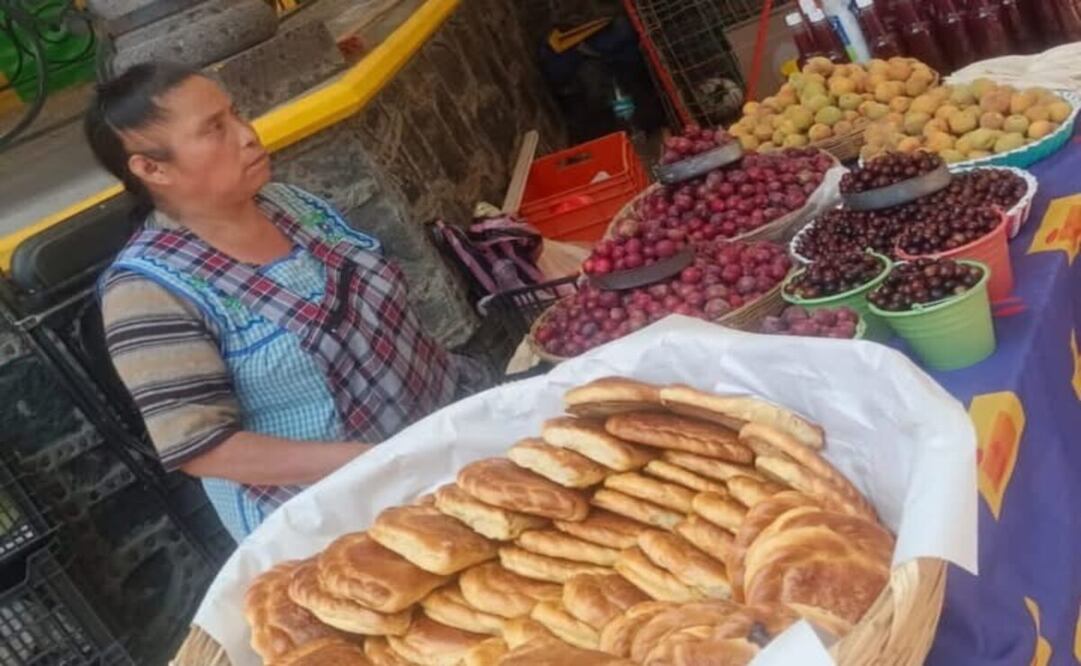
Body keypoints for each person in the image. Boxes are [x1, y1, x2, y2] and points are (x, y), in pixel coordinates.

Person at [86, 62, 482, 542]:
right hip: (343, 517)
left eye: (235, 115)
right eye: (214, 129)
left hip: (442, 438)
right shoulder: (146, 292)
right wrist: (374, 462)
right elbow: (203, 449)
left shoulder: (291, 204)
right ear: (151, 168)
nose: (247, 135)